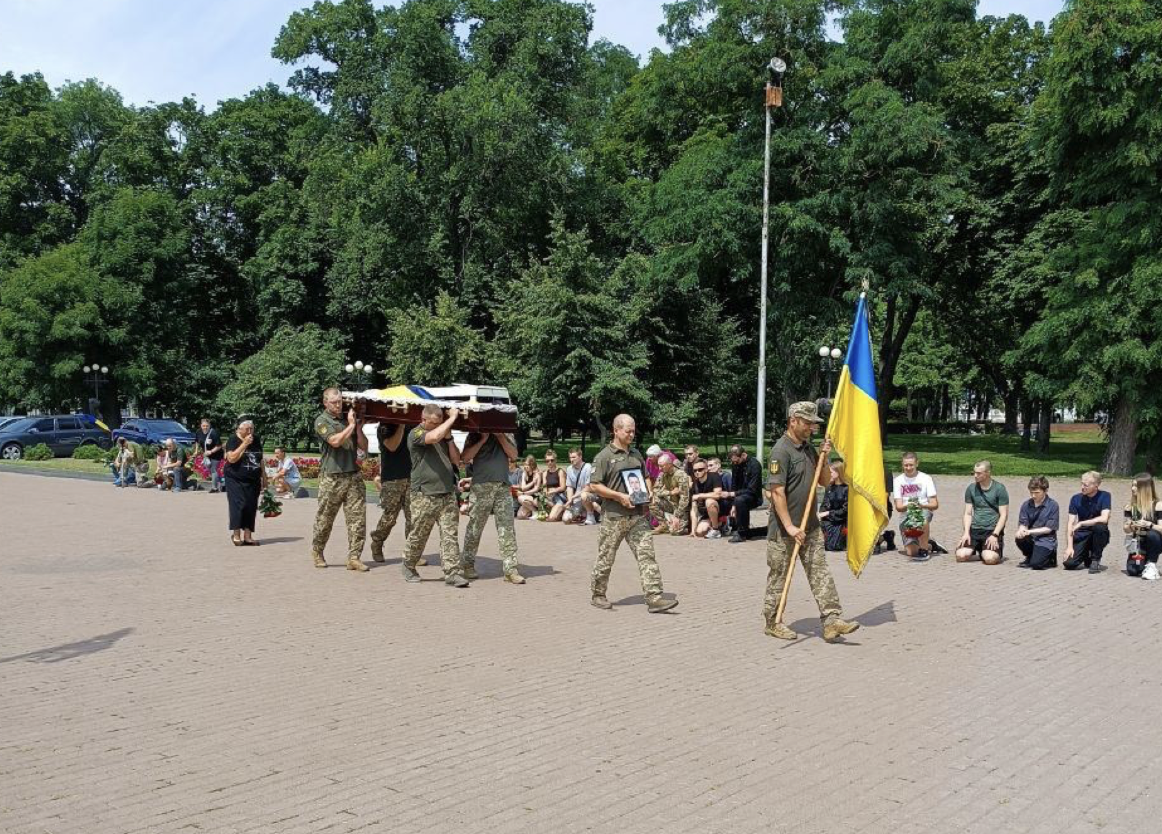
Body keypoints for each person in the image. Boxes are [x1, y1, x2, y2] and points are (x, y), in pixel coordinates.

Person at [762, 402, 860, 642]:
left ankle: (831, 620)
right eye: (807, 423)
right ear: (793, 420)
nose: (811, 428)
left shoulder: (808, 449)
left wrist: (824, 457)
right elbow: (776, 492)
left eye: (814, 424)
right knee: (780, 576)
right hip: (784, 530)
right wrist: (790, 526)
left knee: (820, 572)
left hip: (810, 525)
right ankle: (773, 621)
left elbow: (825, 481)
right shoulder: (780, 451)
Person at [589, 413, 678, 613]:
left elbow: (646, 476)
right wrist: (619, 496)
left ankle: (654, 597)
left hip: (637, 517)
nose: (632, 434)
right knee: (605, 558)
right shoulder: (604, 457)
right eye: (628, 431)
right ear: (616, 430)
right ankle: (598, 594)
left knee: (647, 555)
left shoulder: (636, 454)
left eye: (633, 430)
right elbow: (594, 485)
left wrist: (649, 491)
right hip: (614, 517)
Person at [401, 405, 467, 586]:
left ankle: (452, 572)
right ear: (424, 420)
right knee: (419, 534)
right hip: (424, 494)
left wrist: (450, 438)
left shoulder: (443, 436)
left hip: (446, 493)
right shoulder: (415, 434)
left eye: (439, 422)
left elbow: (456, 460)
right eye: (434, 423)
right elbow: (433, 436)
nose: (438, 426)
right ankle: (408, 564)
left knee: (450, 535)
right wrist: (451, 418)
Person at [310, 388, 369, 572]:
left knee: (358, 519)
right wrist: (350, 426)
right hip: (332, 477)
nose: (338, 404)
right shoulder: (322, 420)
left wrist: (357, 428)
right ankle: (317, 551)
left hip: (353, 475)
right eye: (334, 402)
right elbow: (334, 441)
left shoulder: (347, 418)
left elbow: (364, 447)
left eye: (340, 401)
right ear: (325, 402)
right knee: (325, 518)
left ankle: (354, 557)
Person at [460, 431, 525, 583]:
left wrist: (500, 436)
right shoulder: (475, 433)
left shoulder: (506, 433)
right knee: (475, 528)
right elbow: (465, 457)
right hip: (481, 487)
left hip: (502, 487)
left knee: (507, 529)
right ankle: (467, 565)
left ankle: (510, 570)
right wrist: (483, 439)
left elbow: (514, 455)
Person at [368, 422, 412, 562]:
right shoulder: (385, 426)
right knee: (390, 517)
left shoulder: (414, 424)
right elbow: (392, 446)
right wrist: (401, 425)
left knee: (414, 517)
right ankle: (377, 541)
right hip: (393, 477)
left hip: (412, 477)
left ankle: (412, 551)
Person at [955, 460, 1009, 565]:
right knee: (960, 556)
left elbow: (1004, 515)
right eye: (974, 472)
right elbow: (968, 513)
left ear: (988, 472)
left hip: (991, 530)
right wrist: (966, 533)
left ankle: (986, 552)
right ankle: (980, 550)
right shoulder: (971, 489)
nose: (975, 475)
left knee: (990, 559)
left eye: (979, 473)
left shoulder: (999, 489)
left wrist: (995, 534)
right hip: (975, 530)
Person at [223, 419, 267, 546]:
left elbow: (260, 459)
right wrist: (245, 444)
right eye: (247, 429)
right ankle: (236, 535)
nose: (250, 432)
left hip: (253, 479)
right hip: (235, 478)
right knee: (238, 505)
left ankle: (248, 536)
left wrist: (264, 477)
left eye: (251, 429)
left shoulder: (256, 439)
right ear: (239, 429)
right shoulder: (233, 440)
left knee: (251, 506)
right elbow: (231, 458)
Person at [892, 452, 939, 562]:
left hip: (923, 509)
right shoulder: (898, 481)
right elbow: (899, 507)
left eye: (911, 465)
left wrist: (922, 505)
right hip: (906, 513)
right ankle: (930, 544)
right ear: (902, 465)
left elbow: (935, 504)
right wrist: (908, 505)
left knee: (922, 519)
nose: (908, 468)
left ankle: (924, 550)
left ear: (917, 463)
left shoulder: (926, 478)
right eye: (906, 465)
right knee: (911, 552)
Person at [1064, 470, 1111, 573]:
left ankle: (1095, 559)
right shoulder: (1075, 498)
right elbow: (1070, 523)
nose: (1082, 487)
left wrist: (1081, 523)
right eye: (1081, 484)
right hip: (1082, 534)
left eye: (1086, 485)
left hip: (1098, 532)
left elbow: (1104, 518)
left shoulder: (1105, 496)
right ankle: (1085, 554)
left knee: (1100, 527)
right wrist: (1069, 547)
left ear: (1096, 485)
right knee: (1069, 564)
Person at [1014, 475, 1059, 570]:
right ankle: (1030, 556)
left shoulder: (1053, 505)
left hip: (1046, 539)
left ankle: (1050, 557)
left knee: (1036, 565)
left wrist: (1030, 532)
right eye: (1031, 492)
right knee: (1020, 538)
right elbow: (1023, 522)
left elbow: (1049, 528)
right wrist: (1021, 530)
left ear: (1045, 491)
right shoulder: (1026, 504)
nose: (1033, 495)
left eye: (1037, 493)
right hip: (1031, 538)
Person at [1125, 473, 1162, 581]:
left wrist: (1149, 524)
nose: (1133, 488)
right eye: (1132, 485)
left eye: (1136, 486)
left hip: (1157, 540)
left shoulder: (1158, 505)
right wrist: (1130, 525)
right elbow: (1126, 530)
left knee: (1152, 534)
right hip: (1139, 541)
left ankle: (1151, 564)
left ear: (1145, 488)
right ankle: (1145, 564)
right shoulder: (1130, 506)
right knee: (1133, 571)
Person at [727, 444, 763, 542]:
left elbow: (752, 489)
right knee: (728, 497)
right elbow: (734, 485)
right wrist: (732, 502)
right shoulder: (735, 464)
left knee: (740, 500)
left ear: (743, 455)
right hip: (739, 494)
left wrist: (734, 495)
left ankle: (742, 533)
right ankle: (734, 527)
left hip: (753, 496)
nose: (735, 463)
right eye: (733, 461)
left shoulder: (755, 465)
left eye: (736, 461)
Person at [649, 452, 691, 535]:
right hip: (670, 504)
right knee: (652, 502)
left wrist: (677, 516)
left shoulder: (681, 475)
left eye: (662, 466)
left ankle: (681, 524)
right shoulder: (662, 475)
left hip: (681, 508)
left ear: (669, 464)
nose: (659, 468)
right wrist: (670, 492)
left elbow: (685, 498)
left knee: (674, 532)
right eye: (659, 466)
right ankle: (663, 525)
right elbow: (656, 491)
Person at [690, 458, 725, 538]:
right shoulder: (695, 485)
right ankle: (720, 524)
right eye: (695, 470)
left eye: (700, 469)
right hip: (705, 513)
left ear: (706, 469)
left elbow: (718, 494)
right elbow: (694, 509)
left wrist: (700, 495)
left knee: (709, 501)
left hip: (719, 509)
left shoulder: (714, 476)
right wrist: (693, 530)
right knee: (700, 532)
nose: (697, 472)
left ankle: (716, 530)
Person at [563, 448, 598, 524]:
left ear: (580, 457)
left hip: (590, 495)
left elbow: (588, 487)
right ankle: (583, 513)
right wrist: (570, 501)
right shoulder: (569, 469)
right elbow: (569, 487)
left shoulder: (588, 467)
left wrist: (573, 497)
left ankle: (590, 516)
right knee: (566, 519)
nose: (571, 459)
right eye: (570, 457)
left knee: (584, 495)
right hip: (577, 499)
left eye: (574, 457)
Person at [819, 461, 849, 552]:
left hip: (841, 521)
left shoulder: (847, 489)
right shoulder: (830, 487)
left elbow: (845, 510)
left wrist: (828, 513)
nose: (829, 474)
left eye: (831, 472)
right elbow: (824, 504)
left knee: (833, 546)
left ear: (838, 472)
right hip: (829, 520)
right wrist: (820, 514)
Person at [195, 418, 224, 493]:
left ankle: (214, 488)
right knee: (210, 469)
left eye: (207, 426)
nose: (205, 427)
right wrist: (196, 451)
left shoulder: (214, 433)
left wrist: (211, 451)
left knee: (213, 469)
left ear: (209, 426)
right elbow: (197, 442)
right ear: (201, 426)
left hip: (216, 454)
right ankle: (222, 483)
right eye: (203, 426)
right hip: (207, 455)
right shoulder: (198, 432)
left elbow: (219, 445)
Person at [543, 450, 568, 521]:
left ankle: (561, 509)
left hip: (559, 497)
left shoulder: (560, 471)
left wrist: (553, 491)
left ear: (555, 460)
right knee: (539, 500)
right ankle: (559, 511)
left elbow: (563, 487)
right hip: (550, 498)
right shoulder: (545, 473)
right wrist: (546, 493)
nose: (549, 462)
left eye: (552, 460)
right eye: (547, 461)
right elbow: (544, 486)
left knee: (551, 518)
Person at [515, 455, 542, 519]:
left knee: (520, 498)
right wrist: (532, 482)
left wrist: (524, 493)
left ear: (532, 465)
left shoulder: (537, 474)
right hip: (527, 497)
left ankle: (535, 512)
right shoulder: (524, 473)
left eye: (528, 465)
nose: (525, 466)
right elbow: (523, 488)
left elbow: (536, 489)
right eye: (525, 464)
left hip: (536, 496)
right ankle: (532, 510)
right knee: (520, 516)